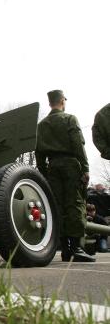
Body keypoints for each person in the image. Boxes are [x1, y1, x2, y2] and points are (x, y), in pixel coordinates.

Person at [35, 89, 94, 262]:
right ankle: (77, 248)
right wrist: (85, 168)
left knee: (57, 206)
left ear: (49, 103)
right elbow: (78, 144)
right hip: (70, 165)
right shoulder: (69, 119)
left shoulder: (42, 125)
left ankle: (65, 248)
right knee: (75, 204)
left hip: (52, 167)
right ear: (62, 101)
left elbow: (39, 154)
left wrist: (45, 173)